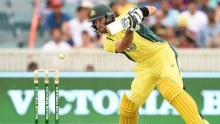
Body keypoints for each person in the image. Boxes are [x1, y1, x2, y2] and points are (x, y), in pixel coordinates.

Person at [89, 4, 209, 124]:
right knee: (128, 107)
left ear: (109, 17)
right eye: (95, 22)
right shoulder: (107, 42)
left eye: (100, 20)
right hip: (144, 66)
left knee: (170, 89)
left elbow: (153, 9)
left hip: (162, 54)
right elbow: (122, 46)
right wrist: (130, 30)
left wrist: (139, 14)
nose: (98, 24)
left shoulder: (126, 16)